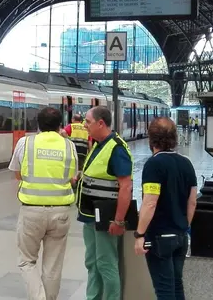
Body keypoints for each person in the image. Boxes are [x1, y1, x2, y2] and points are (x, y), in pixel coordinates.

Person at [9, 107, 78, 300]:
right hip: (61, 213)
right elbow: (72, 177)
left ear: (37, 124)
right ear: (60, 125)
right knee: (53, 266)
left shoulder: (25, 143)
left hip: (31, 212)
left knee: (27, 261)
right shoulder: (69, 146)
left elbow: (17, 174)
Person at [134, 117, 197, 299]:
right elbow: (192, 202)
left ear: (151, 138)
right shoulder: (186, 163)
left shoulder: (154, 164)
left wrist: (139, 234)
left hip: (160, 237)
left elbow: (150, 202)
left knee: (164, 290)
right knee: (177, 285)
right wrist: (184, 226)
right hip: (180, 237)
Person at [77, 106, 134, 300]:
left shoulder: (116, 148)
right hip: (90, 215)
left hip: (105, 218)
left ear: (101, 123)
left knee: (106, 264)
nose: (84, 125)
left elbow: (126, 186)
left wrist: (118, 221)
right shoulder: (99, 144)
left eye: (88, 122)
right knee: (92, 262)